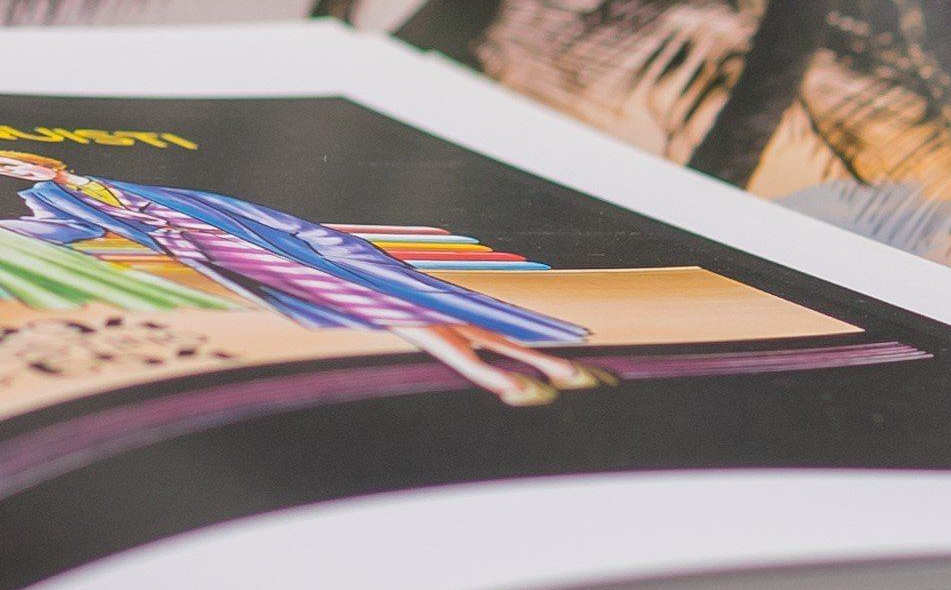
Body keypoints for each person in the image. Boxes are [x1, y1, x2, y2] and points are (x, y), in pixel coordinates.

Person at [0, 150, 605, 407]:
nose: (21, 166)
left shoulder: (139, 183)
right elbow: (61, 234)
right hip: (242, 264)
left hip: (289, 251)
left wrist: (327, 242)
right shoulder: (56, 205)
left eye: (18, 157)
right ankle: (522, 370)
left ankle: (517, 372)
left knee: (391, 306)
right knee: (383, 311)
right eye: (8, 167)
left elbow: (254, 214)